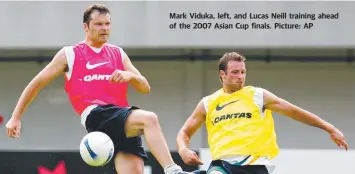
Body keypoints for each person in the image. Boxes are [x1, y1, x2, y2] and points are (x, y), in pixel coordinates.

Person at [5, 4, 192, 174]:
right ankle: (173, 170)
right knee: (149, 119)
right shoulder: (70, 54)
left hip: (122, 117)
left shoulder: (117, 53)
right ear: (86, 27)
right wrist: (15, 117)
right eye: (98, 24)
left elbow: (145, 88)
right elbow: (36, 84)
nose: (104, 28)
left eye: (108, 24)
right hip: (96, 115)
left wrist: (131, 76)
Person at [176, 52, 348, 174]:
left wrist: (328, 127)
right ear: (223, 74)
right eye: (235, 72)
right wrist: (183, 149)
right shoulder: (208, 103)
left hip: (254, 164)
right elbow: (185, 132)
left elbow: (294, 111)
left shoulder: (257, 95)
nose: (240, 76)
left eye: (243, 72)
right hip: (222, 164)